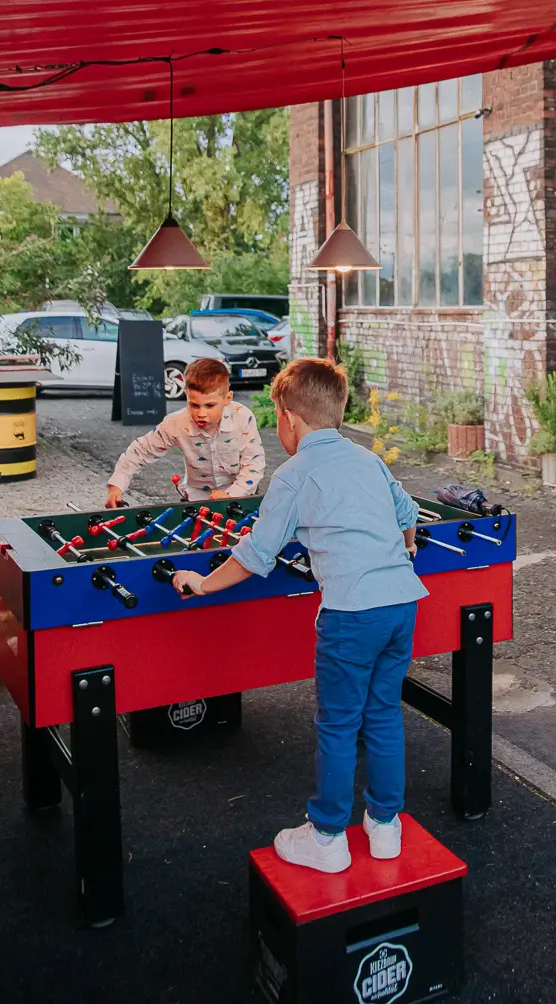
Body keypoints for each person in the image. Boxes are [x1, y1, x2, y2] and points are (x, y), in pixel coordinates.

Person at [171, 357, 426, 873]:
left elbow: (254, 556)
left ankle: (328, 837)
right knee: (382, 715)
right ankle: (384, 827)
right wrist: (403, 552)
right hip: (402, 604)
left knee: (336, 725)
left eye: (276, 421)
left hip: (352, 615)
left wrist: (201, 583)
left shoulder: (293, 473)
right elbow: (408, 516)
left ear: (289, 418)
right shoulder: (368, 459)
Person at [105, 357, 265, 508]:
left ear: (228, 399)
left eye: (210, 406)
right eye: (194, 405)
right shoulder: (176, 423)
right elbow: (140, 451)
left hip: (240, 498)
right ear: (186, 396)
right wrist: (116, 485)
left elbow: (254, 464)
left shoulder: (243, 417)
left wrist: (231, 495)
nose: (201, 413)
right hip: (195, 501)